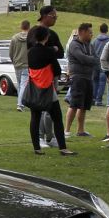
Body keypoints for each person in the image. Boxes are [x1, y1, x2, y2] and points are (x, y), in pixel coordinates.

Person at [26, 26, 75, 156]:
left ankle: (37, 148)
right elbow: (57, 70)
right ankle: (63, 148)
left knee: (35, 118)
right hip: (47, 88)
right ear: (46, 37)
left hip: (34, 88)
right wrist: (53, 50)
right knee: (57, 118)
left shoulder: (30, 52)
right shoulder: (48, 52)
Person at [34, 5, 65, 146]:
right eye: (54, 16)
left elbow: (61, 52)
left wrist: (51, 50)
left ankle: (50, 137)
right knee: (42, 108)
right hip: (39, 76)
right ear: (45, 16)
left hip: (52, 74)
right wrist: (52, 49)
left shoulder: (53, 34)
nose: (55, 19)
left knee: (51, 109)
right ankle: (41, 137)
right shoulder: (34, 32)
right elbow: (34, 52)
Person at [64, 22, 99, 137]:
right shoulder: (74, 45)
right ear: (82, 32)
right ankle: (66, 130)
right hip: (78, 78)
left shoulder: (90, 45)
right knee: (74, 104)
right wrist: (91, 60)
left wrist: (91, 60)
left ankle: (81, 130)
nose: (91, 35)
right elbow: (82, 58)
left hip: (88, 77)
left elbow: (96, 59)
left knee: (84, 105)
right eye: (90, 32)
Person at [9, 20, 31, 112]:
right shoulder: (31, 38)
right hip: (27, 64)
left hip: (17, 64)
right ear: (29, 27)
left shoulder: (14, 38)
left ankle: (20, 102)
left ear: (21, 27)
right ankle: (20, 104)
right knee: (23, 85)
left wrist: (14, 61)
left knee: (20, 84)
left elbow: (11, 52)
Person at [91, 22, 109, 103]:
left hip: (95, 63)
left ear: (100, 30)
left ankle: (93, 98)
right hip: (105, 64)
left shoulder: (94, 40)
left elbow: (91, 52)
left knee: (95, 81)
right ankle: (98, 100)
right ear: (107, 30)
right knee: (102, 82)